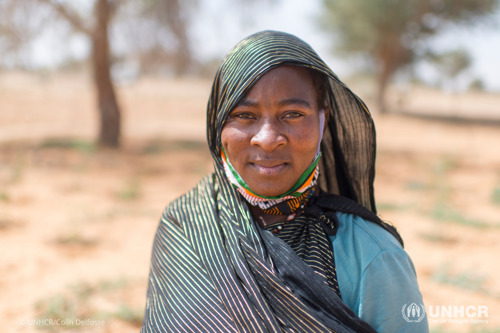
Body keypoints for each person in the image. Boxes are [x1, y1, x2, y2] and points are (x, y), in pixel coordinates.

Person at [141, 31, 429, 333]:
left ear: (322, 122)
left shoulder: (371, 256)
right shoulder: (184, 224)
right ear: (218, 124)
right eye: (244, 114)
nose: (267, 139)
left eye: (292, 114)